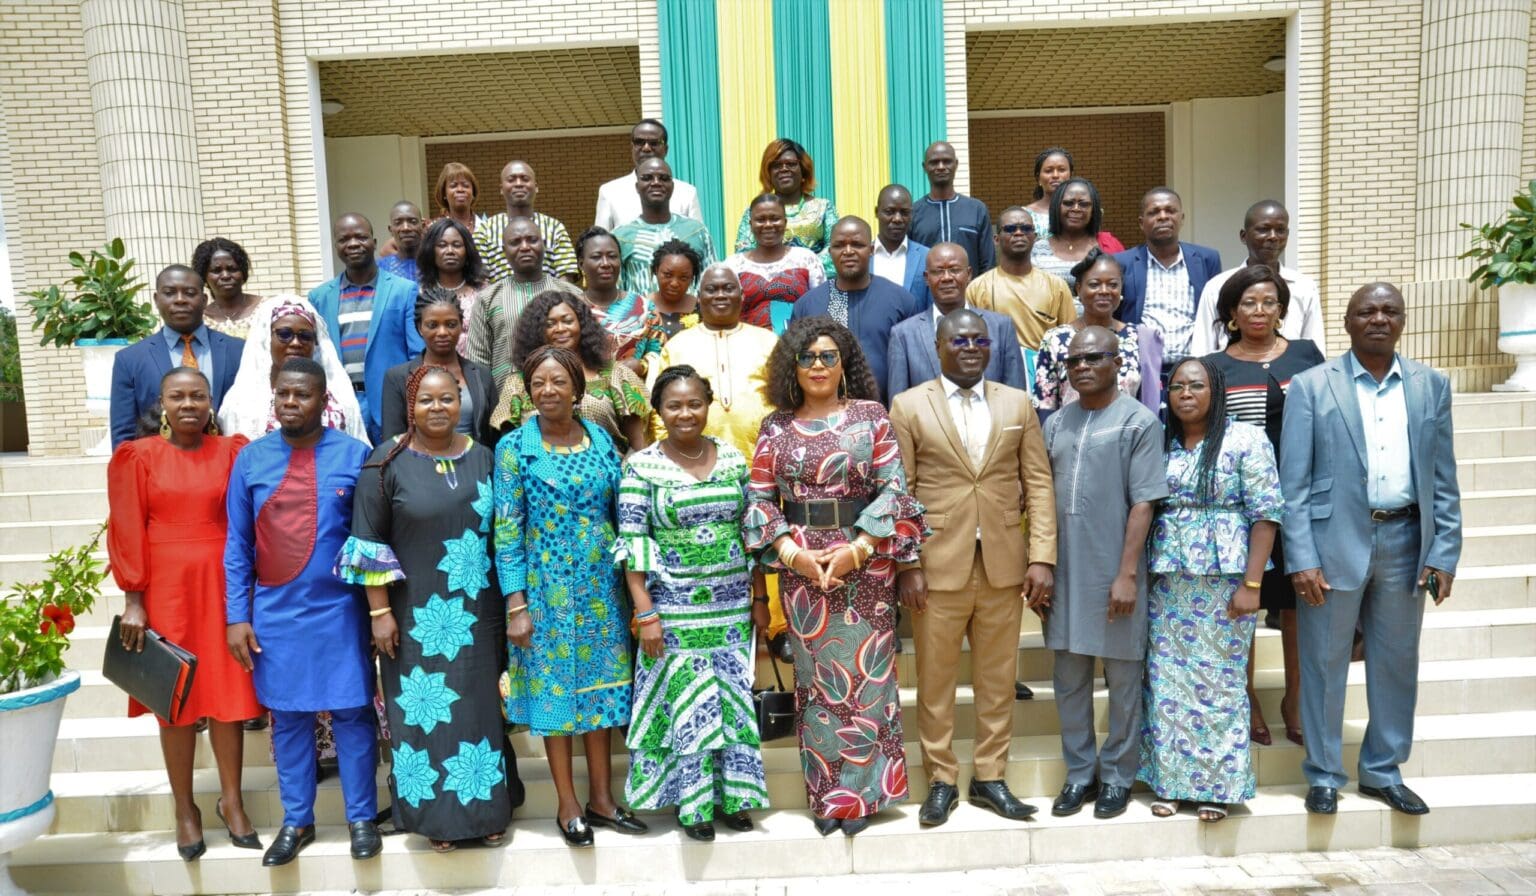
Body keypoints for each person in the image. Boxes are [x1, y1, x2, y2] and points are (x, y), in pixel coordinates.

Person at [1280, 282, 1461, 817]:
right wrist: (1301, 557)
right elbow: (1293, 484)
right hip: (1332, 543)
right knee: (1323, 662)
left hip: (1407, 542)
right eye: (1366, 311)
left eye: (1389, 311)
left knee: (1397, 663)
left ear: (1402, 320)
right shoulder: (1312, 386)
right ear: (1348, 321)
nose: (1378, 318)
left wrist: (1444, 551)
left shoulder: (1431, 386)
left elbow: (1443, 478)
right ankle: (1323, 774)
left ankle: (1383, 770)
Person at [742, 319, 928, 837]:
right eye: (807, 358)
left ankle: (864, 796)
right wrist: (792, 554)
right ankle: (827, 795)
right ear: (792, 367)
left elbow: (894, 491)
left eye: (828, 356)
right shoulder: (775, 426)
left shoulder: (870, 416)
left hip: (865, 561)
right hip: (801, 568)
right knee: (817, 686)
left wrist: (859, 548)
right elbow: (759, 500)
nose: (818, 366)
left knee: (868, 681)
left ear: (844, 363)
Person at [890, 309, 1055, 828]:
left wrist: (1041, 556)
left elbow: (1038, 482)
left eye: (979, 341)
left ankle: (990, 776)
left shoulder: (1017, 402)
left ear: (991, 347)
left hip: (1004, 565)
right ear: (938, 347)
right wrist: (907, 562)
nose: (969, 348)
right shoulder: (909, 405)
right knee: (936, 682)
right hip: (937, 565)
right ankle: (941, 779)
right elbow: (900, 490)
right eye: (958, 340)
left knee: (998, 679)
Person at [338, 365, 513, 852]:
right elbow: (368, 543)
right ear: (410, 406)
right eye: (426, 400)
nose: (438, 408)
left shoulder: (485, 457)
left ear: (461, 404)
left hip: (478, 614)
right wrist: (379, 614)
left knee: (479, 714)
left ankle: (486, 813)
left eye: (447, 399)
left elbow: (503, 534)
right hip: (413, 617)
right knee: (424, 715)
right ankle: (436, 820)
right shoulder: (385, 463)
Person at [224, 357, 380, 866]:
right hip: (276, 613)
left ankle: (361, 818)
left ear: (323, 400)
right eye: (283, 394)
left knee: (353, 713)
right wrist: (237, 616)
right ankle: (297, 821)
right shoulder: (251, 461)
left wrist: (378, 612)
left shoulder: (355, 455)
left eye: (302, 394)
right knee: (289, 718)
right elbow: (237, 546)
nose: (291, 403)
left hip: (342, 611)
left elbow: (371, 540)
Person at [494, 345, 646, 847]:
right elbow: (507, 533)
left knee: (601, 695)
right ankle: (568, 804)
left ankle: (603, 799)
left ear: (577, 389)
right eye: (538, 382)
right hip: (545, 596)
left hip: (603, 591)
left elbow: (620, 511)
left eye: (558, 381)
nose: (548, 390)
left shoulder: (600, 439)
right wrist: (516, 606)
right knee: (555, 699)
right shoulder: (515, 449)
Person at [108, 367, 262, 861]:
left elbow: (246, 520)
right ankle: (184, 809)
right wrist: (133, 599)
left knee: (227, 695)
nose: (189, 404)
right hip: (167, 588)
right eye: (178, 396)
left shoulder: (232, 451)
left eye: (198, 396)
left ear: (211, 402)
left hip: (222, 584)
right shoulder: (138, 457)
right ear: (163, 403)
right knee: (173, 698)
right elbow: (126, 526)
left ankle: (232, 801)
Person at [616, 366, 770, 841]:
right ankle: (695, 805)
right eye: (674, 405)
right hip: (674, 609)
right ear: (658, 412)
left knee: (730, 702)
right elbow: (633, 544)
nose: (685, 413)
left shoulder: (732, 459)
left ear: (708, 405)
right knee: (690, 705)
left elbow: (751, 533)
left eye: (694, 403)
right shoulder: (641, 466)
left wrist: (760, 597)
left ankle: (735, 798)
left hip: (731, 607)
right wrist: (646, 612)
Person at [1138, 357, 1282, 823]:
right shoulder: (1161, 441)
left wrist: (1253, 584)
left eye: (1196, 385)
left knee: (1219, 682)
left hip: (1227, 583)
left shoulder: (1246, 439)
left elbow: (1266, 513)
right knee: (1167, 681)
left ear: (1215, 390)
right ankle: (1171, 783)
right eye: (1177, 386)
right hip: (1169, 582)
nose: (1186, 394)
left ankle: (1216, 787)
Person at [1041, 326, 1167, 820]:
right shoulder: (1056, 423)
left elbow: (1144, 503)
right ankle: (1080, 774)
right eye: (1074, 361)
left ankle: (1117, 776)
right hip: (1065, 575)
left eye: (1094, 358)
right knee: (1069, 679)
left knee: (1122, 681)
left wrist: (1127, 573)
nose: (1082, 367)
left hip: (1116, 571)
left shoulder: (1139, 421)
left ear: (1118, 363)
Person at [1205, 264, 1325, 748]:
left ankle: (1295, 699)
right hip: (1242, 509)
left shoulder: (1306, 355)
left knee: (1299, 604)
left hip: (1301, 500)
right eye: (1248, 303)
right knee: (1245, 605)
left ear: (1282, 310)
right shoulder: (1214, 367)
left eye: (1269, 302)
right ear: (1232, 314)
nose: (1259, 310)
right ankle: (1247, 697)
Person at [308, 212, 422, 443]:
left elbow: (416, 354)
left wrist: (412, 403)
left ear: (374, 242)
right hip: (339, 404)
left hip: (390, 403)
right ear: (336, 247)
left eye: (360, 237)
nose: (353, 244)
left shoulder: (403, 290)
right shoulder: (319, 297)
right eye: (344, 239)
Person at [487, 290, 650, 452]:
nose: (560, 329)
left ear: (582, 325)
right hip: (539, 466)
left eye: (567, 321)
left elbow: (639, 445)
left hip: (609, 466)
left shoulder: (615, 374)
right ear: (536, 331)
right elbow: (507, 447)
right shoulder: (518, 383)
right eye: (550, 324)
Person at [109, 265, 243, 448]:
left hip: (228, 461)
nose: (180, 300)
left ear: (204, 300)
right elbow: (123, 436)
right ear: (156, 299)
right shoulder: (129, 359)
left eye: (190, 293)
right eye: (170, 293)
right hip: (158, 463)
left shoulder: (238, 350)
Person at [789, 217, 919, 404]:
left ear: (871, 250)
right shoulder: (808, 305)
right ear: (830, 251)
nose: (848, 251)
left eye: (857, 245)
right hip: (825, 412)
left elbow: (913, 365)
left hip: (888, 412)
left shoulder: (900, 300)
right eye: (839, 245)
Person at [651, 266, 777, 458]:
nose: (720, 295)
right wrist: (669, 458)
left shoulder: (769, 341)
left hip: (763, 458)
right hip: (694, 462)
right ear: (699, 298)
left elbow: (788, 399)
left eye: (728, 288)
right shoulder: (676, 346)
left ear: (742, 295)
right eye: (711, 290)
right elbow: (659, 409)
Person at [218, 297, 369, 444]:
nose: (296, 343)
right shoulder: (241, 402)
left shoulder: (339, 397)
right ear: (266, 339)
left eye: (305, 336)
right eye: (284, 334)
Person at [887, 242, 1027, 399]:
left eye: (954, 270)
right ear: (926, 278)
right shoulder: (903, 335)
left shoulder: (1001, 327)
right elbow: (898, 403)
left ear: (969, 274)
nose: (947, 278)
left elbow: (1016, 398)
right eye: (938, 271)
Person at [1191, 200, 1325, 355]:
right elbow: (1202, 349)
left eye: (1280, 230)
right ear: (1243, 236)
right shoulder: (1217, 287)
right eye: (1263, 229)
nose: (1273, 237)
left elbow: (1315, 349)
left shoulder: (1304, 287)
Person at [465, 216, 583, 386]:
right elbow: (478, 361)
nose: (525, 247)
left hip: (563, 395)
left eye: (532, 240)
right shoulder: (488, 298)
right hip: (504, 397)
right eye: (515, 242)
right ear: (504, 251)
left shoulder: (571, 294)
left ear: (543, 244)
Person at [1113, 187, 1223, 361]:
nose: (1163, 216)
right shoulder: (1122, 263)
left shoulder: (1207, 259)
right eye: (1154, 212)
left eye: (1170, 211)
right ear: (1141, 223)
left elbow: (1216, 313)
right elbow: (1114, 315)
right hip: (1141, 366)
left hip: (1195, 365)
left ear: (1182, 218)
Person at [382, 291, 500, 448]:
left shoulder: (481, 374)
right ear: (419, 328)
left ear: (461, 325)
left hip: (474, 460)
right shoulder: (398, 378)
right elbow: (392, 441)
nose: (443, 332)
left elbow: (494, 436)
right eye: (433, 325)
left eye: (451, 324)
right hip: (418, 462)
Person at [1032, 251, 1142, 414]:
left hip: (1128, 428)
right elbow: (1045, 404)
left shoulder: (1138, 338)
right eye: (1094, 284)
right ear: (1079, 289)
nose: (1104, 291)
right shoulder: (1056, 339)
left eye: (1113, 285)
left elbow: (1148, 401)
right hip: (1069, 429)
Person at [723, 193, 826, 333]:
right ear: (751, 225)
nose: (768, 225)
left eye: (775, 219)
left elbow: (820, 305)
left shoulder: (806, 259)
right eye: (760, 220)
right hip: (748, 343)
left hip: (799, 342)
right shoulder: (733, 265)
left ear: (785, 222)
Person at [612, 158, 717, 296]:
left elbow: (711, 282)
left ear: (672, 186)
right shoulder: (620, 237)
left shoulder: (697, 231)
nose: (656, 182)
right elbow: (616, 291)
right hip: (640, 309)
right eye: (647, 178)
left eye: (664, 178)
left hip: (691, 310)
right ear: (637, 187)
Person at [732, 138, 838, 274]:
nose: (784, 169)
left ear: (803, 169)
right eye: (776, 165)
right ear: (768, 172)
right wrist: (776, 270)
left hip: (814, 280)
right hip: (766, 280)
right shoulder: (755, 211)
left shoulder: (823, 208)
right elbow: (743, 251)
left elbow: (836, 247)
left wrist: (801, 270)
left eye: (791, 164)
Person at [476, 160, 579, 284]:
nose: (518, 184)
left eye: (525, 179)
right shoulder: (485, 230)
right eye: (511, 179)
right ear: (501, 189)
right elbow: (480, 278)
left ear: (536, 187)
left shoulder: (554, 228)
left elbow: (566, 275)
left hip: (549, 296)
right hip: (499, 296)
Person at [594, 119, 703, 230]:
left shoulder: (687, 193)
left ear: (666, 149)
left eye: (654, 143)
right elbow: (600, 238)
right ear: (632, 147)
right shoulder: (610, 192)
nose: (646, 148)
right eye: (639, 142)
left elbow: (697, 236)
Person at [909, 141, 994, 276]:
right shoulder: (913, 212)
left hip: (970, 289)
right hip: (926, 289)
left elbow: (988, 262)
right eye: (934, 162)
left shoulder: (976, 209)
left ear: (956, 164)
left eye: (946, 161)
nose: (941, 167)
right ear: (925, 167)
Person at [1033, 177, 1125, 291]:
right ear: (1056, 207)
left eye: (1084, 204)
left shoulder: (1110, 245)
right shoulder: (1037, 249)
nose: (1076, 209)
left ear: (1093, 210)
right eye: (1068, 203)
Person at [576, 226, 651, 366]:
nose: (606, 263)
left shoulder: (645, 308)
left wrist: (642, 366)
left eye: (612, 256)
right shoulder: (570, 309)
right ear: (581, 264)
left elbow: (659, 354)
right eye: (596, 257)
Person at [416, 217, 489, 357]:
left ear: (467, 251)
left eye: (457, 245)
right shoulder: (421, 292)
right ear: (431, 250)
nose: (450, 251)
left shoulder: (484, 292)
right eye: (442, 245)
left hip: (478, 367)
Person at [632, 239, 704, 371]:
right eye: (668, 275)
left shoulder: (702, 309)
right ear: (656, 270)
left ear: (692, 278)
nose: (674, 283)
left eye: (683, 278)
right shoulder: (640, 308)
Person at [871, 184, 931, 309]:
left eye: (904, 212)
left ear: (911, 215)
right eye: (889, 212)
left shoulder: (927, 257)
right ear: (877, 212)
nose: (897, 219)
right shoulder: (862, 256)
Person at [193, 238, 264, 339]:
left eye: (232, 269)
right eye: (216, 271)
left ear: (243, 273)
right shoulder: (200, 320)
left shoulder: (266, 308)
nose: (225, 276)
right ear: (204, 276)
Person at [1024, 147, 1073, 241]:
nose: (1055, 175)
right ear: (1038, 178)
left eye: (1061, 170)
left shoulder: (1081, 211)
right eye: (1048, 171)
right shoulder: (1025, 215)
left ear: (1070, 175)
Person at [378, 201, 425, 282]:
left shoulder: (437, 264)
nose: (405, 228)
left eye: (413, 222)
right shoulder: (379, 268)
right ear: (390, 230)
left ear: (423, 226)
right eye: (398, 223)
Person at [434, 162, 481, 236]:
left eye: (466, 185)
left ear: (473, 193)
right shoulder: (435, 230)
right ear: (444, 193)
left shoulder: (486, 227)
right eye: (453, 186)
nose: (460, 189)